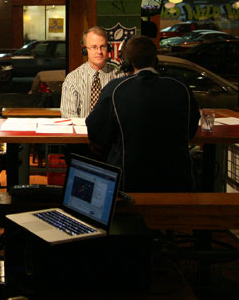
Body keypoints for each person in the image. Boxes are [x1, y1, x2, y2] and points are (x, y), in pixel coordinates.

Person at [86, 35, 201, 192]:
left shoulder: (115, 89)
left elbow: (96, 131)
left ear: (126, 64)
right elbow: (190, 130)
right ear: (155, 60)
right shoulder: (181, 88)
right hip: (177, 181)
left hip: (128, 182)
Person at [59, 26, 123, 119]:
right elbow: (68, 117)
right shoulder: (72, 79)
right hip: (82, 132)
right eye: (94, 47)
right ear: (85, 50)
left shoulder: (119, 77)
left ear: (108, 48)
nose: (99, 52)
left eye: (103, 47)